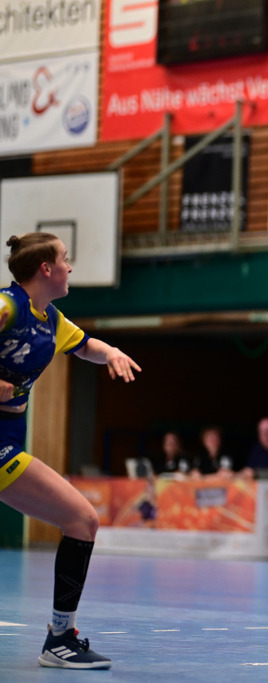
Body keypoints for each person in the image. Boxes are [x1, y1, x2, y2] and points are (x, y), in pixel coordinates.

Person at [0, 232, 141, 669]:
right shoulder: (6, 308)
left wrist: (112, 351)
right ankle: (60, 639)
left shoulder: (50, 319)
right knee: (82, 519)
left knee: (81, 521)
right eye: (65, 258)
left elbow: (85, 346)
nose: (71, 266)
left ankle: (61, 637)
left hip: (8, 439)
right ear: (46, 268)